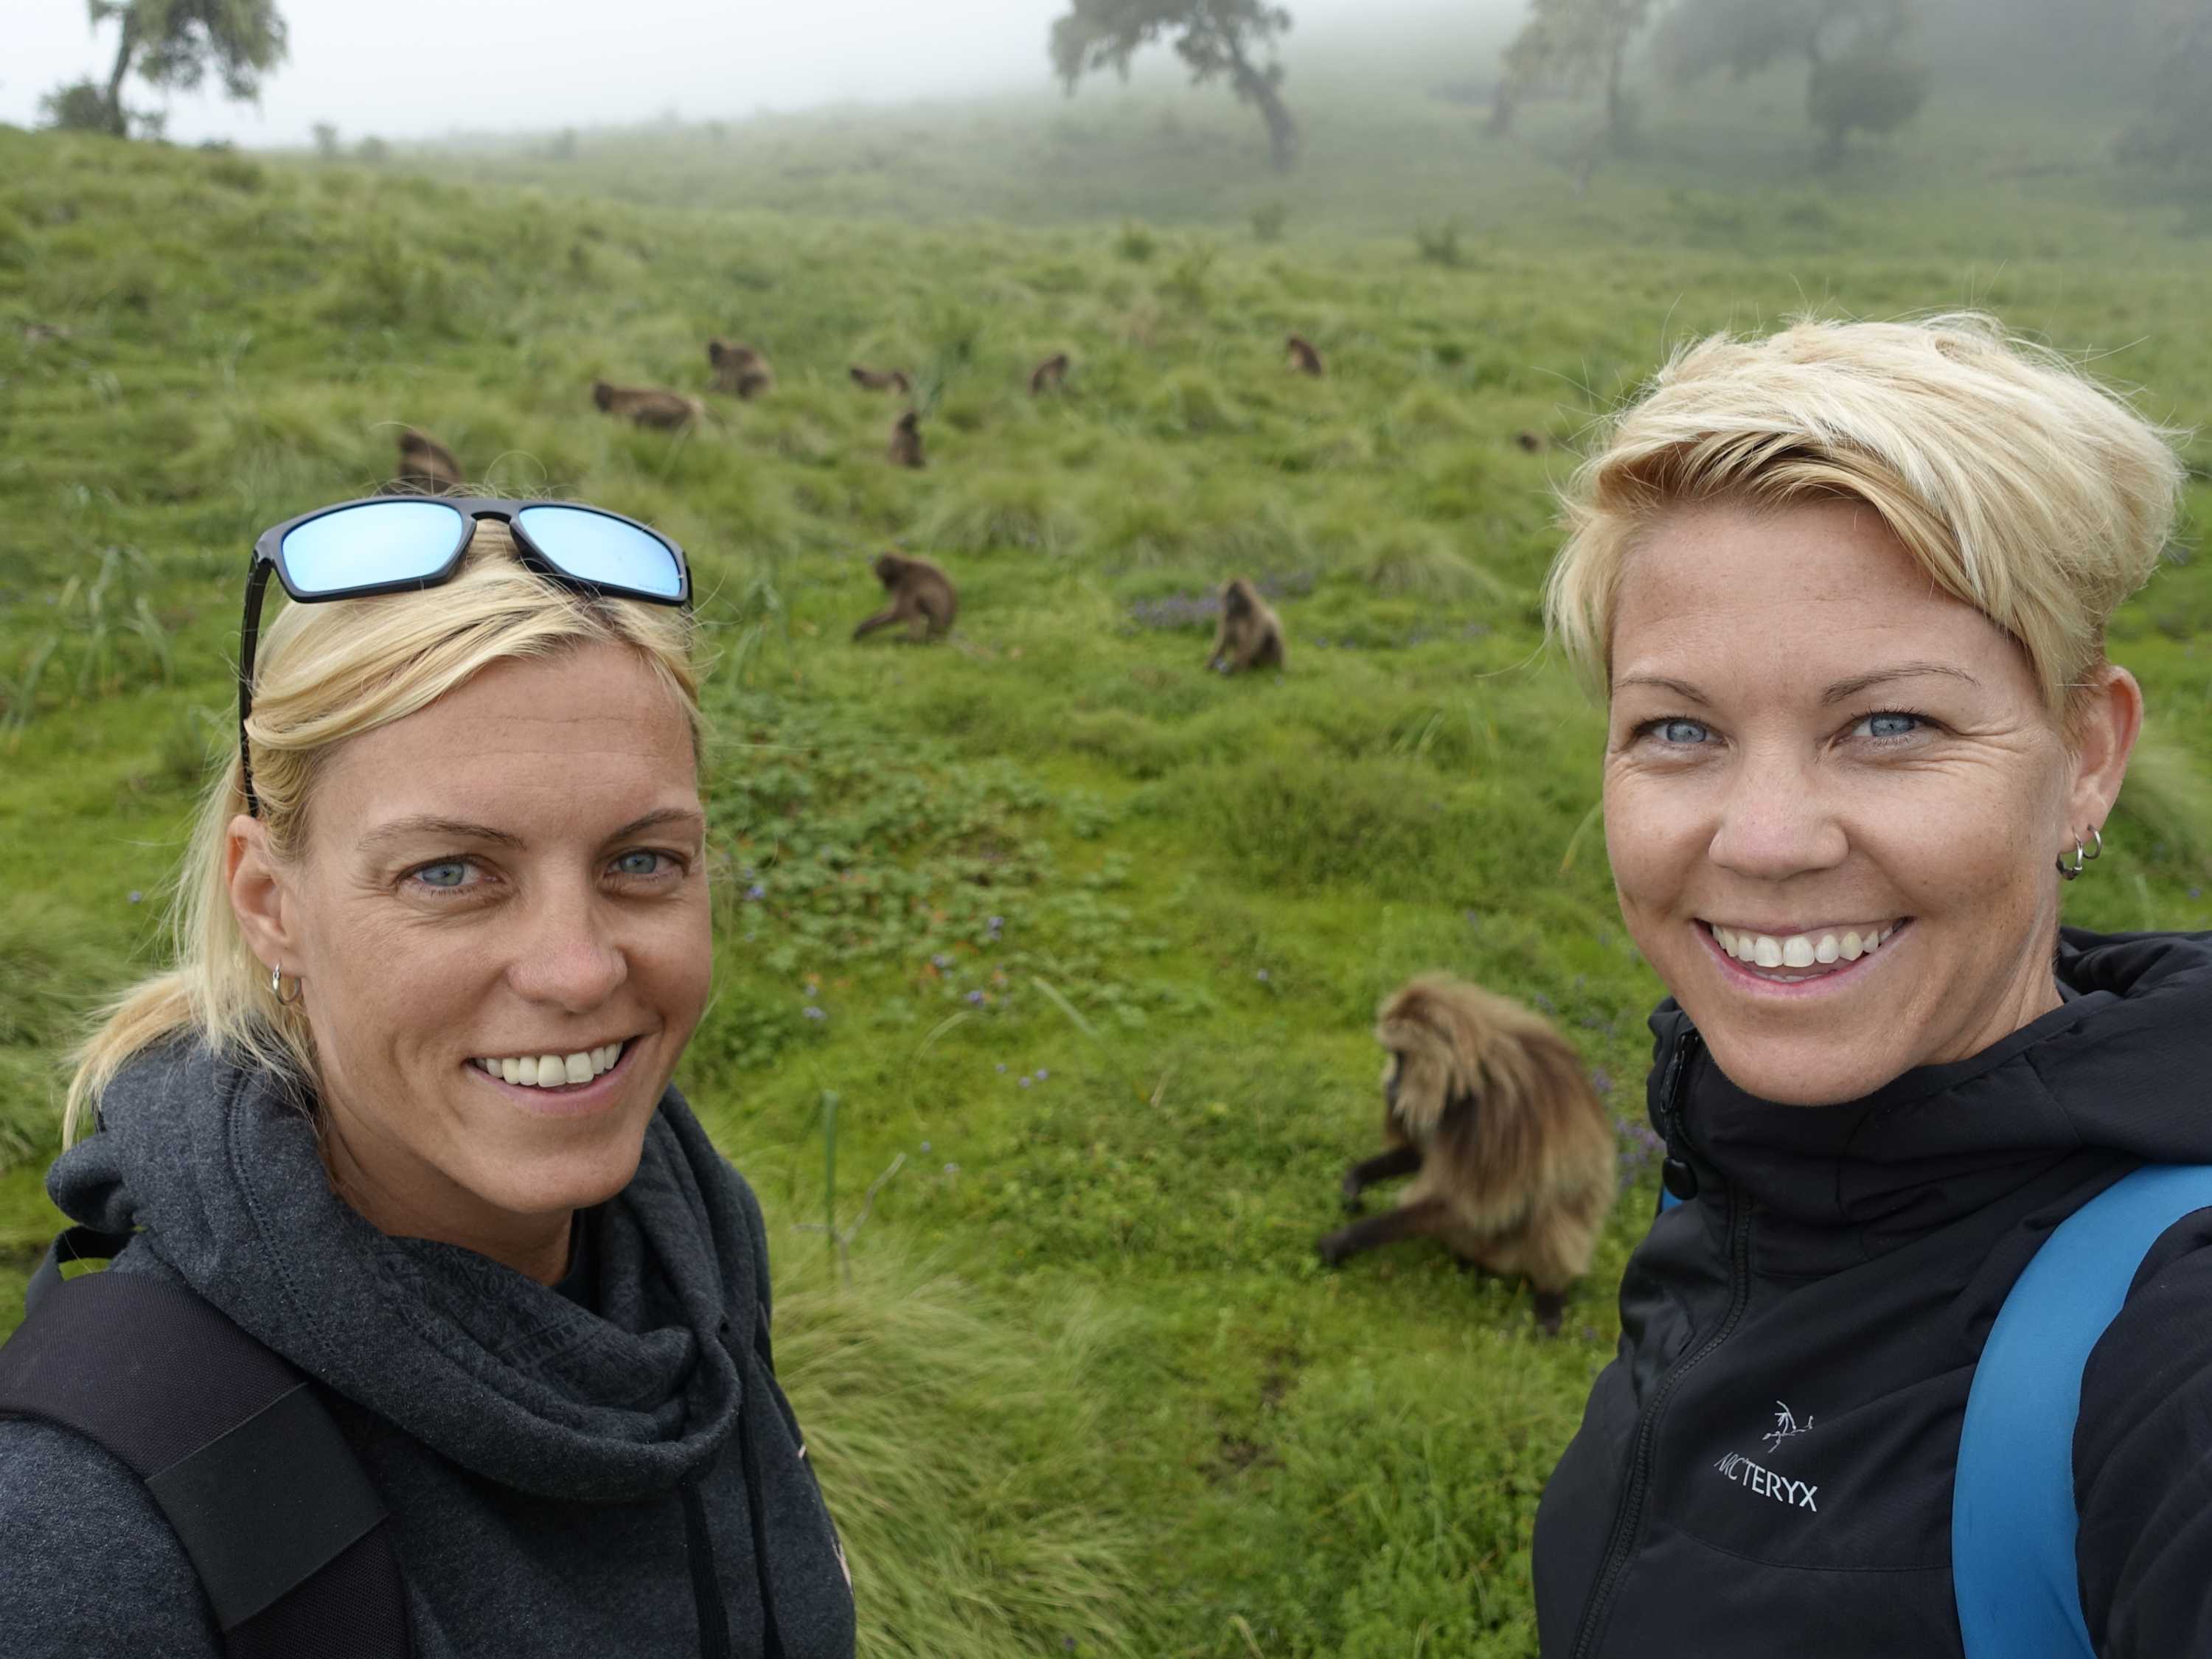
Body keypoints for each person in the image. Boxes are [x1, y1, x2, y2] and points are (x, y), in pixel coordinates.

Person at [0, 499, 857, 1657]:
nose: (575, 968)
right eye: (451, 870)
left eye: (642, 859)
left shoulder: (686, 1236)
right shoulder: (90, 1534)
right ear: (271, 902)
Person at [1531, 314, 2211, 1656]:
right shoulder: (1731, 1160)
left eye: (1890, 725)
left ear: (2085, 756)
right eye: (1679, 728)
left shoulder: (2168, 1344)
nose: (1767, 840)